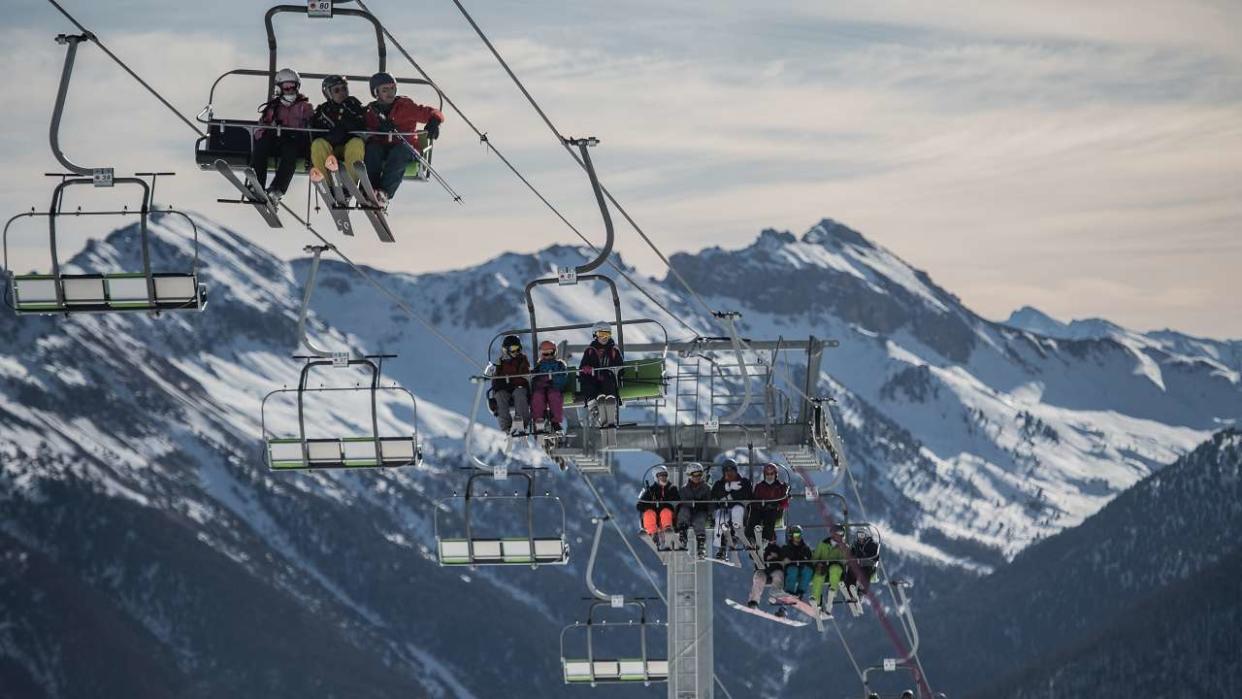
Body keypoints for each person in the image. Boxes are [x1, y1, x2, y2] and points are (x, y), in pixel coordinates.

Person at [363, 72, 444, 205]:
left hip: (406, 148)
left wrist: (434, 121)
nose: (390, 93)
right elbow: (361, 126)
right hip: (382, 148)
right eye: (385, 90)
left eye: (392, 88)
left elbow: (432, 112)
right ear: (376, 92)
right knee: (372, 149)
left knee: (400, 151)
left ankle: (384, 193)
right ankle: (370, 190)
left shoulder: (405, 106)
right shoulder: (371, 112)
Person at [251, 68, 313, 205]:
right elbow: (260, 128)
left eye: (293, 87)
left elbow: (311, 128)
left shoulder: (305, 107)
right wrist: (268, 131)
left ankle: (277, 190)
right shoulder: (273, 107)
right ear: (279, 89)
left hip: (294, 142)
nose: (290, 90)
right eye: (286, 87)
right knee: (261, 146)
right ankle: (257, 184)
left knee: (290, 151)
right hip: (275, 140)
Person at [309, 74, 367, 191]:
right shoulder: (323, 111)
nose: (342, 93)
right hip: (331, 149)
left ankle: (351, 185)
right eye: (336, 90)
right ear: (328, 93)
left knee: (356, 143)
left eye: (344, 88)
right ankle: (327, 184)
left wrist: (346, 124)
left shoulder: (354, 105)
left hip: (348, 146)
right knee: (318, 144)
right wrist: (331, 136)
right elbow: (314, 132)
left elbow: (363, 124)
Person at [578, 321, 623, 428]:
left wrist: (616, 370)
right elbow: (583, 366)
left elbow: (620, 366)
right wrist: (586, 368)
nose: (604, 337)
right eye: (601, 334)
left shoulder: (614, 350)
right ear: (595, 335)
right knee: (588, 383)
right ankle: (594, 405)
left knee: (608, 381)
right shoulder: (590, 351)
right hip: (593, 378)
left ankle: (611, 404)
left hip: (607, 378)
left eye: (607, 334)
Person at [709, 460, 752, 560]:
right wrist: (727, 488)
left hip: (740, 510)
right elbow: (715, 496)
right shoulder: (719, 484)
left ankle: (736, 536)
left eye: (732, 471)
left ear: (736, 471)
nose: (729, 473)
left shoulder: (744, 482)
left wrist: (728, 496)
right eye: (727, 471)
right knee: (720, 516)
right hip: (725, 509)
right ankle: (721, 546)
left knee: (737, 510)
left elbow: (745, 494)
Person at [491, 335, 531, 435]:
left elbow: (524, 375)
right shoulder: (500, 363)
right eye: (513, 349)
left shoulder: (522, 360)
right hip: (505, 389)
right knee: (500, 396)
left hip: (519, 387)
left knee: (519, 393)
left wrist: (512, 381)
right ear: (506, 350)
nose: (516, 352)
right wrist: (499, 385)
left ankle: (523, 423)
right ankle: (507, 427)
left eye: (518, 349)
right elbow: (495, 379)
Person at [529, 340, 567, 433]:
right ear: (542, 354)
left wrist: (553, 380)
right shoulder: (539, 367)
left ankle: (556, 421)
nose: (548, 356)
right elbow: (535, 380)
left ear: (555, 352)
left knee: (554, 395)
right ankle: (539, 420)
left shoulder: (559, 365)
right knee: (537, 396)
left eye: (551, 352)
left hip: (555, 387)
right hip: (542, 388)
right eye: (545, 354)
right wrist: (541, 381)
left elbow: (563, 378)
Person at [636, 466, 679, 549]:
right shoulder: (650, 490)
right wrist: (650, 506)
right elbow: (639, 505)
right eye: (661, 476)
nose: (663, 478)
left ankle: (667, 531)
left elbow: (677, 501)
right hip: (654, 516)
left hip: (668, 516)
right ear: (656, 477)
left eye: (665, 475)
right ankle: (653, 533)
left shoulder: (672, 489)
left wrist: (667, 504)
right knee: (649, 513)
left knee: (665, 511)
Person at [748, 463, 789, 545]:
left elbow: (785, 503)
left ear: (775, 475)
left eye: (771, 474)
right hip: (761, 509)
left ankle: (765, 538)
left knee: (770, 515)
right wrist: (758, 505)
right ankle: (750, 537)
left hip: (774, 510)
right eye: (767, 474)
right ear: (764, 475)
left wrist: (779, 505)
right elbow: (754, 500)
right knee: (754, 514)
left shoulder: (781, 487)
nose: (769, 476)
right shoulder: (760, 486)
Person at [676, 464, 712, 557]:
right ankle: (683, 535)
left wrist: (711, 514)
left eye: (699, 475)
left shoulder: (706, 488)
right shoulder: (684, 489)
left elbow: (710, 502)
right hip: (688, 511)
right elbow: (681, 503)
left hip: (701, 511)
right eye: (694, 475)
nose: (697, 477)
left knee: (699, 520)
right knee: (684, 511)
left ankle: (701, 545)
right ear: (690, 475)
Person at [810, 524, 849, 610]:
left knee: (835, 569)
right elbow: (815, 558)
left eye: (841, 533)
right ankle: (816, 599)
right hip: (824, 568)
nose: (839, 535)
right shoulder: (823, 544)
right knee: (818, 575)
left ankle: (832, 590)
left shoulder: (844, 547)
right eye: (837, 533)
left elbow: (846, 561)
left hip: (837, 569)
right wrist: (817, 564)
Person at [747, 537, 786, 609]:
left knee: (778, 575)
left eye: (773, 539)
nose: (772, 541)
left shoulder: (777, 549)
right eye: (771, 539)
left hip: (774, 571)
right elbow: (752, 556)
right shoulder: (761, 547)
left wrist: (775, 559)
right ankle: (754, 601)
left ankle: (776, 594)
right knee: (759, 578)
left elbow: (784, 559)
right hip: (762, 571)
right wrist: (753, 550)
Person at [781, 525, 814, 600]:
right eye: (796, 535)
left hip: (802, 567)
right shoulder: (786, 548)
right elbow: (783, 558)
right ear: (791, 536)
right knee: (793, 570)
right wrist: (785, 560)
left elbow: (809, 559)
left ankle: (800, 591)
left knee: (808, 571)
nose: (798, 537)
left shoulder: (805, 548)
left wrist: (806, 561)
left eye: (800, 535)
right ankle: (789, 591)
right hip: (791, 567)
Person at [845, 528, 880, 595]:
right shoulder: (856, 545)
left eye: (862, 535)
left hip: (868, 566)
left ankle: (862, 589)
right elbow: (851, 554)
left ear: (866, 536)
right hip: (858, 565)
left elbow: (875, 557)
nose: (860, 538)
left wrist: (865, 559)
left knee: (865, 571)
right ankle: (850, 588)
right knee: (851, 570)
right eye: (859, 535)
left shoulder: (872, 545)